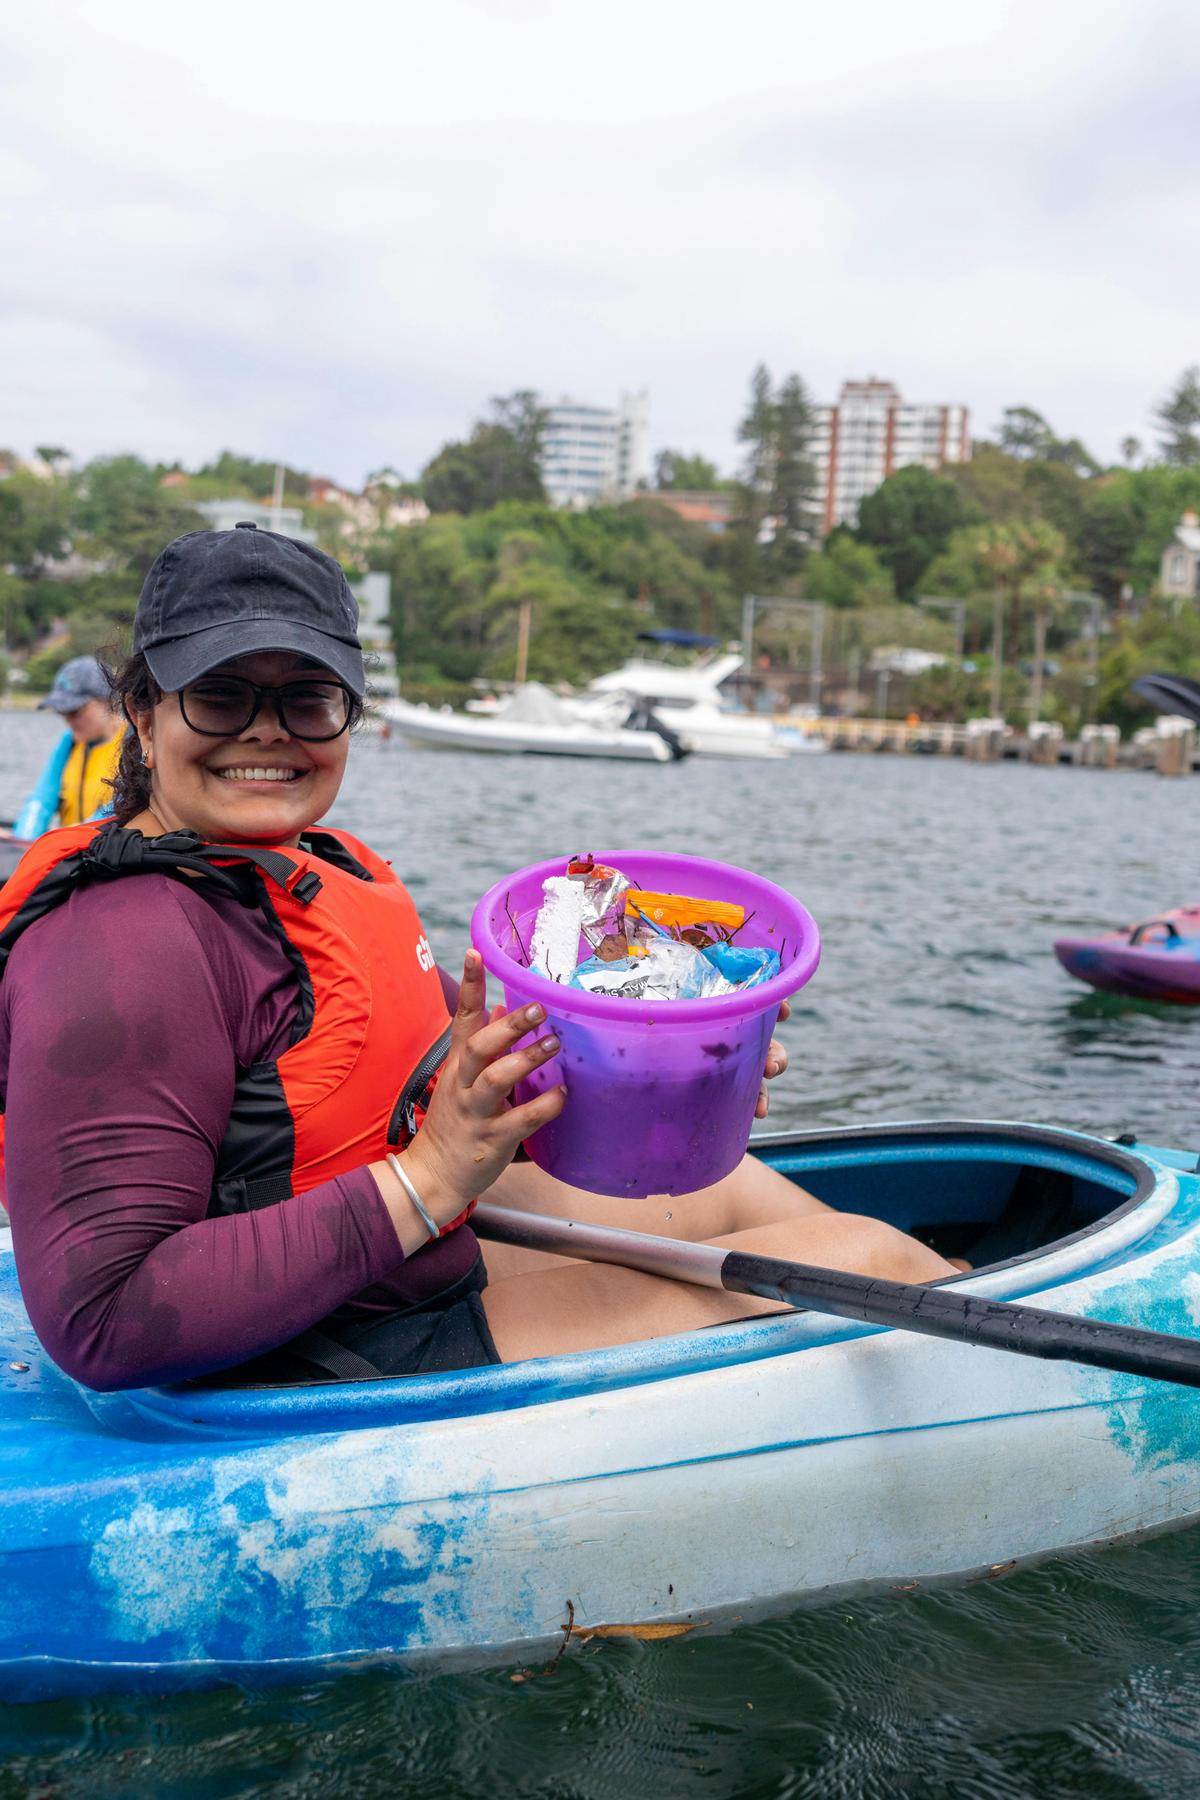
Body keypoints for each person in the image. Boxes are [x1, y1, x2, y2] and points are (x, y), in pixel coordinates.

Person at [0, 524, 959, 1392]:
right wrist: (430, 1181)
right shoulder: (118, 949)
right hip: (308, 1355)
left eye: (307, 698)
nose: (266, 730)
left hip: (393, 1269)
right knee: (865, 1261)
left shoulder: (297, 865)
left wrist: (680, 1070)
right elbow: (106, 1321)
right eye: (218, 695)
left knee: (731, 1181)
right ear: (141, 710)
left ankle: (971, 1295)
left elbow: (335, 1119)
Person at [10, 656, 125, 837]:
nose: (68, 720)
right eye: (62, 712)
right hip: (70, 857)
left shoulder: (134, 746)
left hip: (105, 855)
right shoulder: (69, 743)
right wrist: (23, 842)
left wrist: (62, 839)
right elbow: (41, 799)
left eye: (76, 711)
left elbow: (118, 808)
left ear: (109, 702)